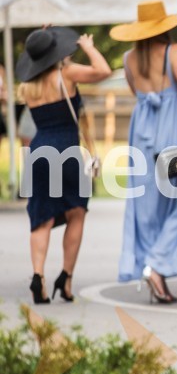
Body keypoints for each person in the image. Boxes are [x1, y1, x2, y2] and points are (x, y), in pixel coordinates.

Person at [110, 0, 177, 304]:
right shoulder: (173, 51)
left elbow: (140, 93)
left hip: (142, 134)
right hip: (171, 134)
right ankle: (157, 265)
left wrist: (174, 92)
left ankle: (154, 269)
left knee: (147, 206)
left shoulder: (128, 58)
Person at [17, 27, 112, 304]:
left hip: (39, 151)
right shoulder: (66, 75)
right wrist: (88, 46)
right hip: (68, 152)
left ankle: (39, 277)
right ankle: (66, 278)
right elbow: (103, 70)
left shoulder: (28, 85)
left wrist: (45, 40)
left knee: (41, 219)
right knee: (76, 213)